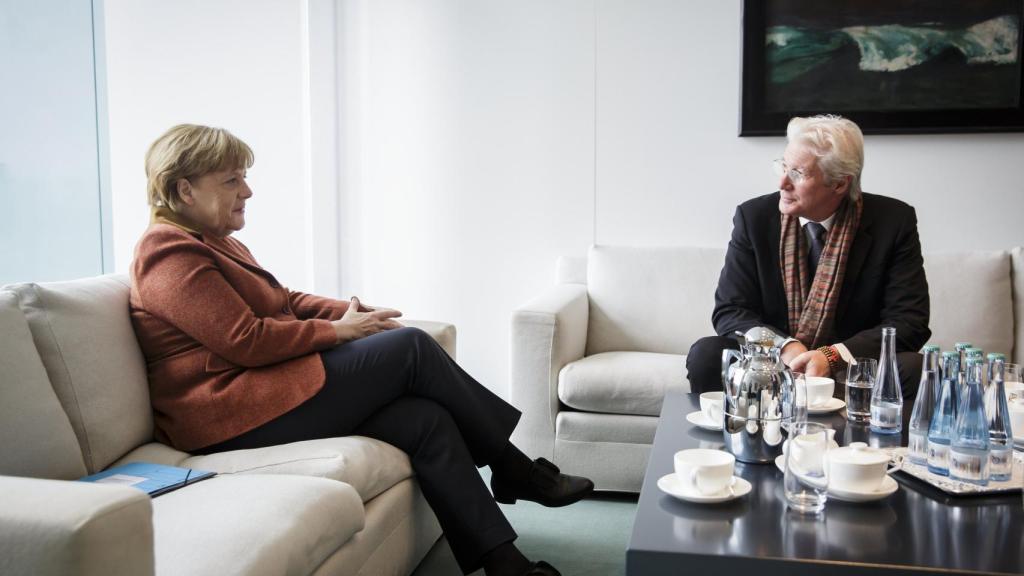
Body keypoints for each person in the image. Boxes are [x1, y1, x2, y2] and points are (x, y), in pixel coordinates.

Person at [129, 124, 593, 576]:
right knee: (411, 346)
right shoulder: (167, 253)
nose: (247, 191)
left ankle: (505, 563)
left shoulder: (215, 243)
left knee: (424, 421)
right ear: (184, 189)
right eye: (232, 179)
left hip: (261, 395)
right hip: (226, 415)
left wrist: (352, 313)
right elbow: (244, 339)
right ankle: (514, 467)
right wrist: (338, 333)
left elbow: (285, 301)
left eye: (244, 177)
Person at [687, 115, 929, 397]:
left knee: (913, 367)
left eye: (798, 174)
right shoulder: (755, 217)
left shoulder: (892, 221)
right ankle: (734, 437)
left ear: (839, 183)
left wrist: (831, 356)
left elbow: (909, 321)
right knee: (707, 354)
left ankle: (872, 441)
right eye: (783, 166)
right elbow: (731, 311)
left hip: (853, 368)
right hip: (771, 363)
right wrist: (784, 346)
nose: (782, 182)